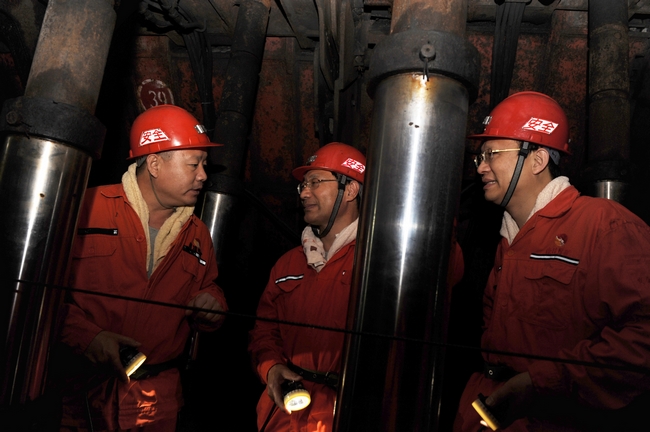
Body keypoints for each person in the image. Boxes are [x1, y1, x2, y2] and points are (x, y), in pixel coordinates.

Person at [453, 91, 650, 431]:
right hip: (488, 410)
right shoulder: (507, 239)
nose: (481, 167)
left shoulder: (604, 225)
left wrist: (541, 382)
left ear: (537, 160)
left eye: (492, 154)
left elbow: (643, 339)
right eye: (480, 157)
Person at [248, 142, 464, 432]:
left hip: (353, 412)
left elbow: (448, 269)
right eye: (303, 185)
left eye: (315, 182)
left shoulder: (385, 257)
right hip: (287, 412)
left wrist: (422, 207)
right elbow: (264, 330)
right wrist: (272, 368)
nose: (304, 192)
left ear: (350, 190)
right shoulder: (288, 264)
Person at [56, 104, 228, 432]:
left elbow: (209, 289)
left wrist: (213, 305)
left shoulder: (198, 234)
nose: (204, 175)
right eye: (194, 164)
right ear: (154, 164)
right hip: (80, 391)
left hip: (155, 401)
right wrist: (88, 338)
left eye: (204, 165)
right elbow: (37, 294)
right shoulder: (87, 207)